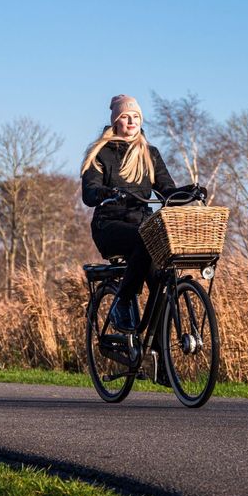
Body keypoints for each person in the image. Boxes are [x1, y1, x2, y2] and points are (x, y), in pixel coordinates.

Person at [80, 94, 183, 333]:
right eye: (125, 117)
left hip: (141, 224)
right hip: (109, 225)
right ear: (116, 121)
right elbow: (90, 192)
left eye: (135, 117)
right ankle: (122, 302)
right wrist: (109, 192)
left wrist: (187, 194)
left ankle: (157, 358)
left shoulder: (150, 153)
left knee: (160, 282)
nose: (131, 121)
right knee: (145, 240)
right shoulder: (100, 153)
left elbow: (167, 188)